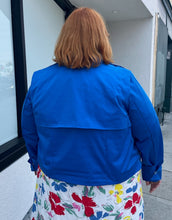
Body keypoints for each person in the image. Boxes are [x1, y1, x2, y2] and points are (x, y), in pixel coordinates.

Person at [21, 7, 163, 220]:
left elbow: (30, 133)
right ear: (101, 38)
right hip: (113, 195)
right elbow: (149, 132)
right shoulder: (123, 80)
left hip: (56, 193)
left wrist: (35, 162)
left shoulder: (40, 81)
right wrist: (152, 170)